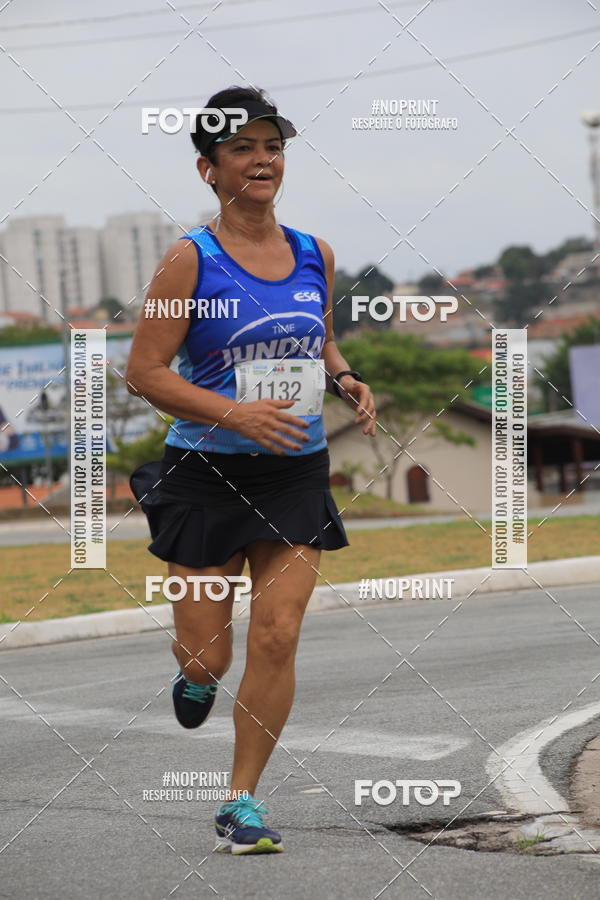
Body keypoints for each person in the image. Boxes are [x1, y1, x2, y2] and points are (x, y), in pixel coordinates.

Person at [126, 85, 376, 855]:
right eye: (243, 148)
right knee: (209, 652)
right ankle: (196, 676)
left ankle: (241, 802)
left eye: (273, 147)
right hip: (207, 475)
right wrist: (235, 413)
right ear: (209, 168)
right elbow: (144, 372)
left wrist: (343, 376)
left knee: (278, 634)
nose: (263, 160)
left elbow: (317, 334)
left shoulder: (313, 253)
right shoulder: (187, 261)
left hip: (295, 471)